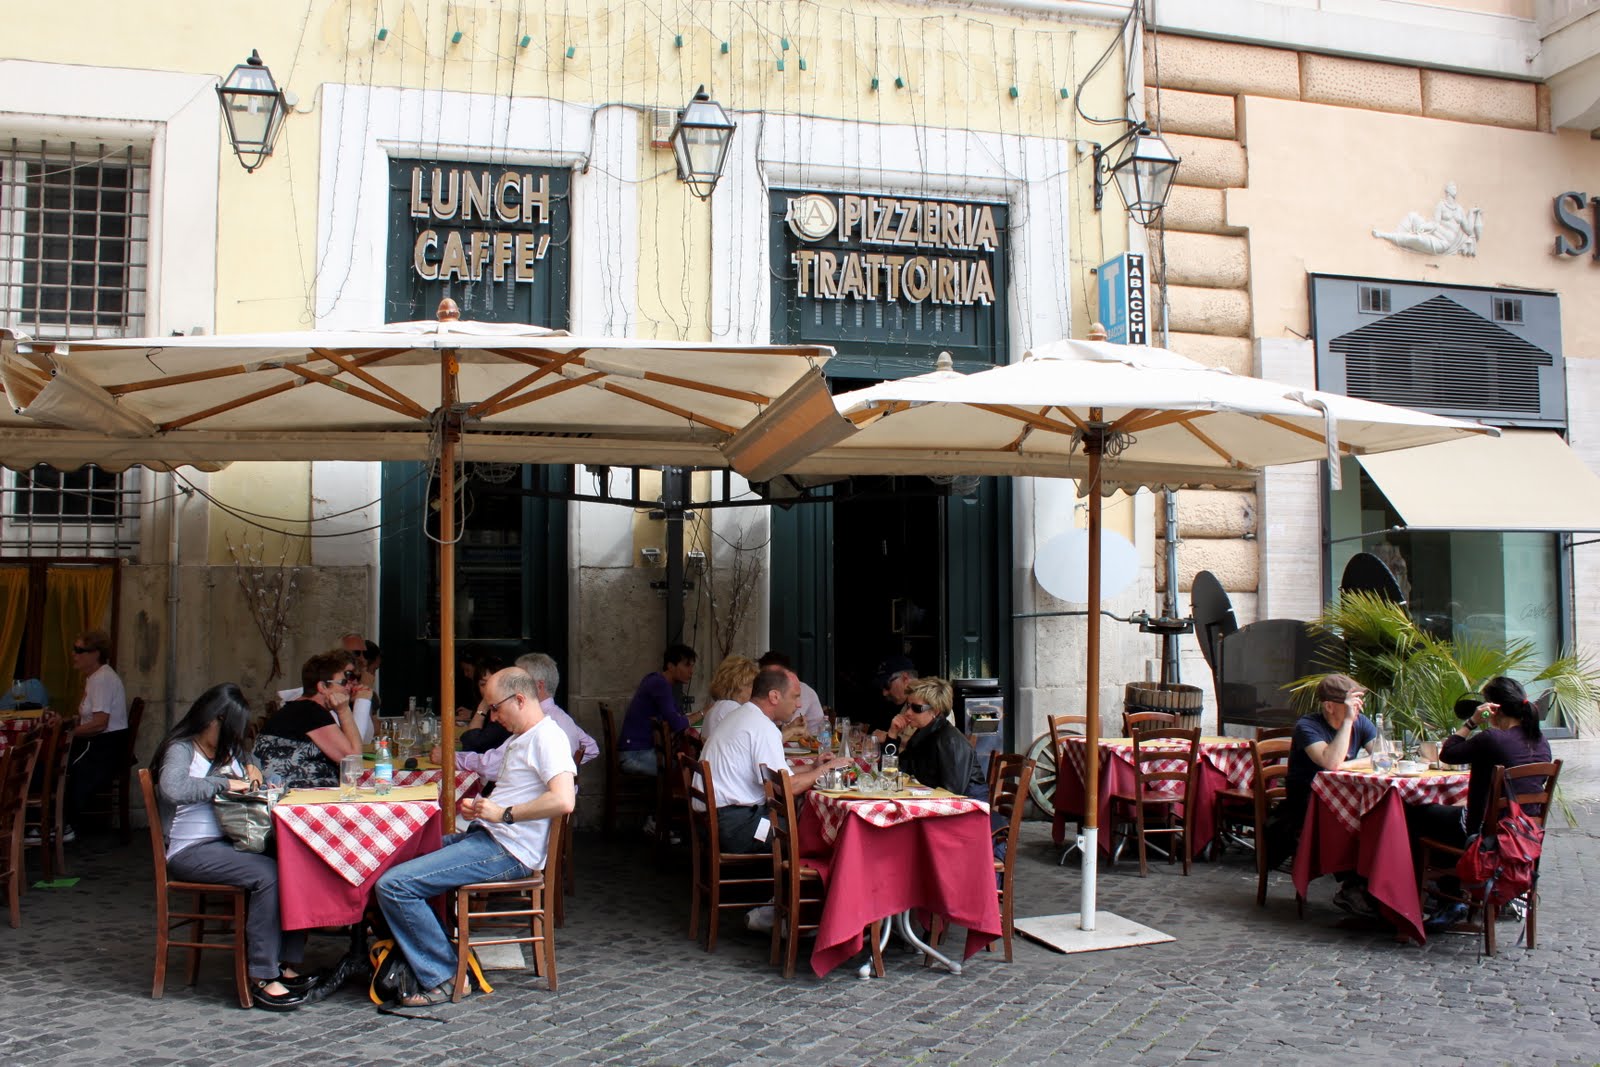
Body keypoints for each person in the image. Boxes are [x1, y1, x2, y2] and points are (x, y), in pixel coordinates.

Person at [375, 667, 575, 1007]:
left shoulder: (547, 738)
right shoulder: (523, 737)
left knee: (394, 885)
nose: (493, 717)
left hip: (507, 850)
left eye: (496, 707)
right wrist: (484, 809)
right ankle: (441, 955)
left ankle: (446, 976)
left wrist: (503, 813)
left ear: (520, 699)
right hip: (490, 838)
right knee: (397, 857)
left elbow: (563, 800)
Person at [153, 683, 310, 1011]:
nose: (235, 738)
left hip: (229, 842)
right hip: (191, 849)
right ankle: (262, 975)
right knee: (268, 875)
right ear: (214, 719)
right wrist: (224, 783)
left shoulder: (229, 750)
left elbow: (251, 767)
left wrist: (255, 770)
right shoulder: (182, 748)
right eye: (232, 730)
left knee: (297, 864)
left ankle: (285, 961)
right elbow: (173, 788)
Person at [1408, 676, 1553, 929]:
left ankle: (1444, 898)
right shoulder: (1540, 740)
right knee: (1444, 817)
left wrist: (1472, 721)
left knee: (1415, 813)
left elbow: (1448, 753)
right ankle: (1454, 892)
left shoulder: (1492, 738)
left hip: (1488, 836)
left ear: (1493, 708)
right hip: (1523, 833)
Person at [698, 667, 848, 853]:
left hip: (715, 820)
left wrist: (812, 767)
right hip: (735, 827)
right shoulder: (762, 727)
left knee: (798, 823)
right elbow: (787, 787)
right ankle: (817, 871)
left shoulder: (742, 715)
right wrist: (826, 769)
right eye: (795, 697)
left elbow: (774, 774)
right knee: (810, 831)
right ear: (774, 696)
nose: (799, 704)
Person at [1277, 674, 1383, 916]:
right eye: (1351, 702)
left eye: (1358, 701)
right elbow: (1330, 762)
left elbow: (1382, 756)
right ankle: (1353, 887)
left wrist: (1346, 765)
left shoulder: (1362, 722)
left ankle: (1374, 886)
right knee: (1356, 822)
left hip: (1347, 799)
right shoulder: (1307, 726)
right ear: (1329, 706)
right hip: (1308, 804)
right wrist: (1347, 723)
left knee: (1379, 818)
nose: (1358, 707)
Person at [253, 650, 365, 787]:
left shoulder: (299, 709)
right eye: (344, 681)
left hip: (284, 788)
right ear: (323, 686)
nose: (350, 686)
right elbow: (353, 762)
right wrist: (344, 711)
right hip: (296, 792)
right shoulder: (311, 712)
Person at [65, 628, 128, 837]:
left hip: (104, 746)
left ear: (95, 654)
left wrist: (68, 733)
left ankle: (65, 824)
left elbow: (100, 723)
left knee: (60, 766)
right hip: (98, 742)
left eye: (79, 650)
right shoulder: (94, 677)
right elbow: (90, 717)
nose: (74, 654)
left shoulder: (101, 679)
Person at [888, 676, 987, 801]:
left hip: (970, 805)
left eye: (916, 708)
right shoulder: (922, 734)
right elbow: (894, 773)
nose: (908, 712)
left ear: (935, 711)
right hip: (943, 802)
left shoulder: (949, 740)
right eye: (908, 706)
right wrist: (892, 735)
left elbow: (952, 793)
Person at [616, 644, 698, 776]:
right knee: (687, 769)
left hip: (636, 751)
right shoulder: (659, 684)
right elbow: (676, 723)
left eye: (692, 666)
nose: (691, 671)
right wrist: (704, 712)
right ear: (671, 666)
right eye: (687, 665)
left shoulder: (656, 680)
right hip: (635, 755)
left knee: (685, 763)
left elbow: (678, 714)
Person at [757, 650, 825, 738]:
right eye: (765, 676)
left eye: (776, 675)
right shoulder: (755, 698)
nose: (799, 705)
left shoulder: (807, 692)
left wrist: (799, 732)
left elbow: (819, 734)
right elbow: (764, 741)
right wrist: (790, 730)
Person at [457, 656, 509, 752]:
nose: (489, 688)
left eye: (493, 682)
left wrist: (483, 707)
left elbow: (471, 746)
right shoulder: (490, 708)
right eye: (483, 684)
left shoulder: (506, 712)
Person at [701, 655, 759, 738]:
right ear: (737, 686)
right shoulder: (730, 707)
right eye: (751, 685)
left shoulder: (720, 706)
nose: (755, 690)